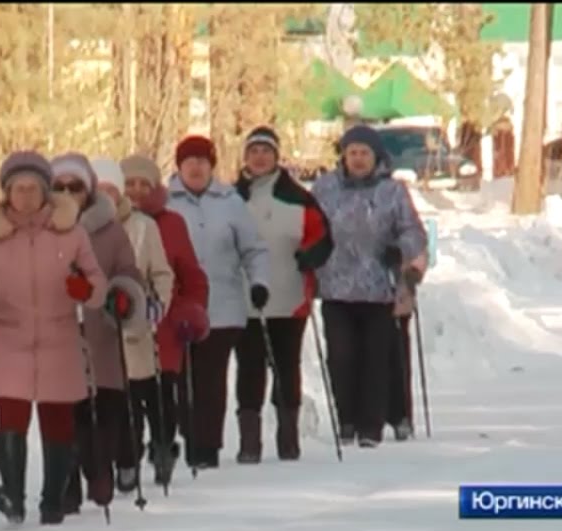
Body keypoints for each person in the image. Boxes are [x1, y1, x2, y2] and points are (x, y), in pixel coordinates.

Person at [0, 150, 108, 525]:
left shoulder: (70, 233)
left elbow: (98, 286)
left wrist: (83, 288)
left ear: (46, 191)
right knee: (12, 417)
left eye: (32, 188)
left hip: (59, 337)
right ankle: (12, 495)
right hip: (9, 336)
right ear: (7, 193)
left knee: (58, 419)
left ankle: (52, 501)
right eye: (17, 189)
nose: (25, 196)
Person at [311, 125, 427, 448]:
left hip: (379, 288)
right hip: (336, 286)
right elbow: (309, 226)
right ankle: (346, 419)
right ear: (343, 157)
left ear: (376, 157)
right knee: (341, 357)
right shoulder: (324, 188)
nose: (358, 159)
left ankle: (371, 425)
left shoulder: (393, 191)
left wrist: (400, 250)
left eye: (365, 153)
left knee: (376, 358)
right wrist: (309, 252)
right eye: (353, 153)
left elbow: (413, 231)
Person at [48, 152, 146, 514]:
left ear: (87, 190)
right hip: (56, 334)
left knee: (104, 414)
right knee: (63, 414)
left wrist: (121, 296)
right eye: (59, 187)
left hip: (100, 332)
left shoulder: (109, 228)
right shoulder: (39, 229)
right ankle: (66, 486)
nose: (67, 192)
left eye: (75, 186)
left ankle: (99, 470)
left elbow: (128, 271)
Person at [166, 135, 270, 470]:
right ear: (178, 166)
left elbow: (253, 249)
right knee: (181, 379)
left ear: (212, 166)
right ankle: (186, 434)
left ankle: (207, 446)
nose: (195, 167)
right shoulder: (166, 203)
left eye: (202, 161)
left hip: (222, 307)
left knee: (211, 379)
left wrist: (259, 283)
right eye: (189, 161)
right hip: (176, 309)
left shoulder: (230, 202)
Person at [232, 126, 334, 463]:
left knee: (287, 368)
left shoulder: (299, 198)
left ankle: (288, 439)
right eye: (254, 151)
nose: (260, 157)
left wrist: (312, 255)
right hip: (245, 299)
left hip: (290, 298)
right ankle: (249, 442)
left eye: (266, 151)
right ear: (245, 157)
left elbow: (322, 237)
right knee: (249, 369)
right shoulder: (231, 198)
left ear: (277, 157)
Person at [120, 153, 211, 488]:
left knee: (159, 395)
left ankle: (163, 448)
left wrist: (191, 312)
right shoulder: (108, 222)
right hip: (122, 324)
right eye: (130, 184)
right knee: (127, 397)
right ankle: (127, 456)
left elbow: (191, 277)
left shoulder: (171, 223)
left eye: (145, 184)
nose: (137, 191)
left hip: (164, 323)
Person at [90, 157, 175, 494]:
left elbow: (162, 274)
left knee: (135, 397)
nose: (105, 197)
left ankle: (134, 459)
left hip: (135, 328)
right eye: (99, 191)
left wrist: (157, 306)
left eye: (112, 191)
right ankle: (109, 464)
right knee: (104, 402)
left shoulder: (142, 226)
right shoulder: (78, 230)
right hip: (95, 333)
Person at [385, 245, 427, 441]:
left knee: (398, 359)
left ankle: (401, 416)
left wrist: (415, 270)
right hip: (357, 297)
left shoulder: (400, 214)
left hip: (397, 296)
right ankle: (362, 418)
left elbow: (415, 240)